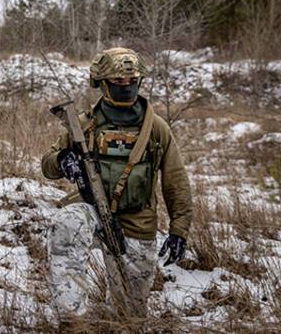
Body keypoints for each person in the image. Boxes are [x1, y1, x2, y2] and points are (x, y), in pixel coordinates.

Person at [41, 47, 192, 320]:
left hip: (138, 224)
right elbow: (47, 165)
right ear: (102, 84)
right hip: (92, 213)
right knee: (66, 223)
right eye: (118, 82)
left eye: (131, 81)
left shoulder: (156, 129)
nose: (126, 86)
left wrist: (179, 228)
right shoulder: (84, 125)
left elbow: (176, 181)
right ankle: (72, 321)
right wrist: (63, 159)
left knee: (130, 317)